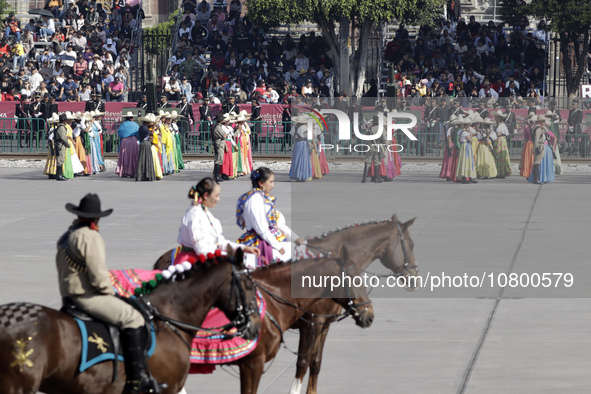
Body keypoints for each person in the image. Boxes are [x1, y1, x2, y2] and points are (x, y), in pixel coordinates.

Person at [56, 193, 166, 393]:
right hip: (87, 297)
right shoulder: (90, 237)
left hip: (68, 295)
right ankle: (137, 379)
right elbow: (99, 277)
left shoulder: (68, 234)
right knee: (133, 318)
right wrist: (113, 292)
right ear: (96, 218)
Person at [174, 178, 260, 265]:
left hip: (207, 257)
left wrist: (243, 248)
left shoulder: (205, 213)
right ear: (206, 195)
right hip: (194, 262)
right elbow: (201, 248)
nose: (218, 199)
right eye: (216, 195)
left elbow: (219, 242)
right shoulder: (196, 216)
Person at [236, 167, 304, 268]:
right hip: (260, 242)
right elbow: (261, 229)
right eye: (271, 182)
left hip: (269, 238)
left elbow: (279, 224)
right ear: (261, 183)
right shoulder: (254, 200)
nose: (273, 185)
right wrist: (278, 246)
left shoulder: (263, 198)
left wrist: (295, 238)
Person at [529, 115, 556, 184]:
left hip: (540, 146)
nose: (544, 122)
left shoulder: (537, 127)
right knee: (536, 163)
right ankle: (536, 179)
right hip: (540, 146)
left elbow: (547, 132)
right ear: (540, 122)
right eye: (543, 121)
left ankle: (536, 178)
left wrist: (544, 127)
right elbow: (537, 139)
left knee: (537, 163)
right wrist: (535, 148)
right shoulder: (538, 128)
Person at [116, 112, 140, 178]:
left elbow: (120, 133)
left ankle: (124, 171)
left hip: (125, 141)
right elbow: (138, 133)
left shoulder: (122, 125)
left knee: (125, 156)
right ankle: (133, 171)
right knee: (133, 156)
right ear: (131, 118)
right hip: (134, 140)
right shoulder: (135, 124)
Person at [289, 114, 312, 182]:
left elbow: (292, 135)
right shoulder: (304, 127)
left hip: (297, 144)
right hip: (303, 143)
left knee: (296, 159)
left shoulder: (294, 127)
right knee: (303, 159)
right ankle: (302, 175)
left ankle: (296, 175)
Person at [455, 117, 478, 184]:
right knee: (466, 160)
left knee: (467, 161)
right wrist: (470, 134)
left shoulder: (460, 131)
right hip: (466, 146)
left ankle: (469, 176)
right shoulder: (465, 133)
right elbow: (471, 140)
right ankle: (465, 177)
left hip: (464, 146)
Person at [135, 113, 157, 182]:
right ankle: (144, 175)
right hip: (145, 144)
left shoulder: (143, 127)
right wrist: (155, 125)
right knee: (145, 159)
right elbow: (152, 133)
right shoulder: (143, 128)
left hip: (145, 143)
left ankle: (144, 175)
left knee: (145, 159)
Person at [492, 110, 512, 178]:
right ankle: (497, 171)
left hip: (501, 140)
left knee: (501, 155)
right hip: (496, 140)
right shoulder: (494, 125)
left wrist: (496, 133)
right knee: (496, 155)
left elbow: (502, 133)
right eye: (496, 117)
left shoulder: (502, 125)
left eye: (497, 117)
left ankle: (502, 172)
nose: (496, 118)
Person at [54, 114, 70, 181]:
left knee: (61, 159)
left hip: (61, 144)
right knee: (60, 159)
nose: (66, 121)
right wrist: (67, 144)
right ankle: (59, 175)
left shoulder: (61, 126)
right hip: (61, 144)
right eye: (65, 120)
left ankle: (60, 174)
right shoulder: (61, 127)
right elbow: (63, 137)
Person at [211, 113, 227, 182]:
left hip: (219, 144)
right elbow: (224, 135)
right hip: (219, 145)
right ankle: (216, 176)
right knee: (218, 160)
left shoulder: (217, 126)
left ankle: (217, 175)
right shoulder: (218, 127)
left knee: (219, 160)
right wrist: (225, 135)